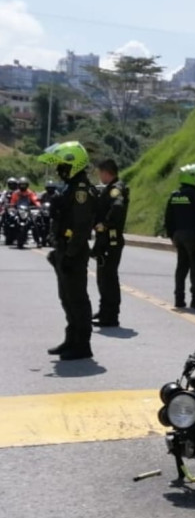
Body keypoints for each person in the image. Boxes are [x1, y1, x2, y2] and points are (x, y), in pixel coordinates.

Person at [37, 141, 98, 360]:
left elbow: (81, 227)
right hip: (65, 249)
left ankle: (82, 345)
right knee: (66, 298)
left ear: (73, 164)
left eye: (62, 166)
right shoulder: (70, 187)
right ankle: (71, 339)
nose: (59, 171)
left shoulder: (81, 189)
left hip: (75, 251)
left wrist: (71, 254)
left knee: (77, 299)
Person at [164, 163, 195, 310]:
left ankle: (179, 299)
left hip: (178, 236)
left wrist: (171, 236)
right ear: (192, 178)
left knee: (181, 267)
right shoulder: (194, 195)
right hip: (193, 236)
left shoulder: (174, 196)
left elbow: (168, 218)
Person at [91, 158, 129, 327]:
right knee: (102, 277)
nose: (100, 176)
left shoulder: (116, 189)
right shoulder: (109, 188)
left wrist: (104, 224)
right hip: (105, 240)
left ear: (107, 173)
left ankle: (111, 315)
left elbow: (118, 208)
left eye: (100, 173)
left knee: (109, 278)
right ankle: (104, 309)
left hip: (111, 240)